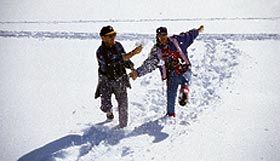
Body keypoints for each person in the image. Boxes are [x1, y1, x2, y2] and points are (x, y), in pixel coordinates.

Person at [130, 25, 204, 117]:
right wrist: (137, 73)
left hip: (184, 69)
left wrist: (197, 31)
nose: (162, 38)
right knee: (170, 96)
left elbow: (189, 36)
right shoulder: (156, 51)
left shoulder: (176, 41)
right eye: (159, 35)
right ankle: (170, 114)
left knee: (186, 79)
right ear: (157, 36)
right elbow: (149, 65)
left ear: (167, 35)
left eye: (163, 35)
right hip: (171, 75)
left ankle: (184, 92)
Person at [95, 25, 142, 128]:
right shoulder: (100, 52)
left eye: (114, 35)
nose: (113, 38)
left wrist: (132, 68)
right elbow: (114, 62)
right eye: (110, 36)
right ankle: (109, 112)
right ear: (103, 38)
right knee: (105, 105)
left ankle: (123, 127)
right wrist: (133, 53)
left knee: (123, 105)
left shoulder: (118, 46)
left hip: (120, 79)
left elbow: (125, 60)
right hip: (106, 80)